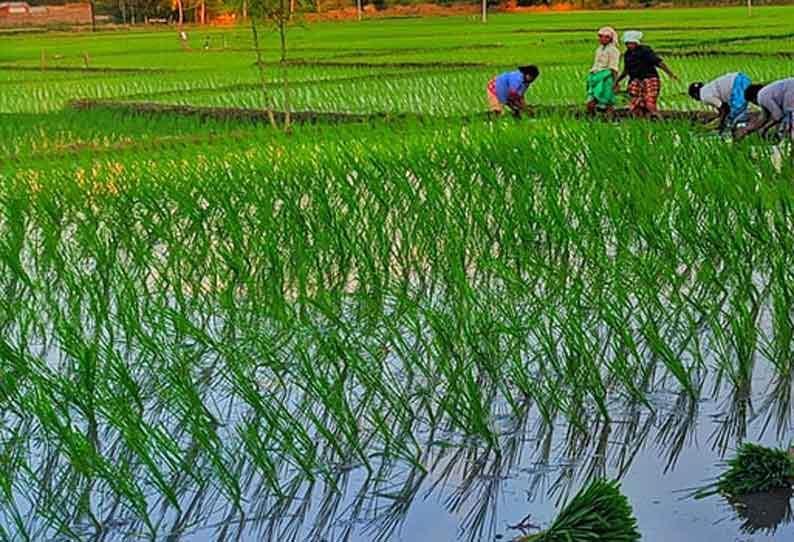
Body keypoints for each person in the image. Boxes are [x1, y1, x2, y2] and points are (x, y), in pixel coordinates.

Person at [613, 31, 678, 118]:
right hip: (636, 80)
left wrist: (670, 74)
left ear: (636, 42)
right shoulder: (628, 54)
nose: (629, 45)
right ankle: (643, 123)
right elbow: (626, 70)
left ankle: (657, 119)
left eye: (631, 43)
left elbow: (658, 63)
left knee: (649, 103)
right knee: (636, 106)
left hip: (650, 79)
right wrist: (617, 81)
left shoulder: (645, 50)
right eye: (627, 43)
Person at [688, 72, 752, 133]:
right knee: (740, 112)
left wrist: (721, 125)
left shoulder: (704, 96)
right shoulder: (706, 88)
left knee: (735, 114)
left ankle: (742, 131)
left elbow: (724, 108)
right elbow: (722, 109)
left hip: (737, 84)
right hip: (740, 77)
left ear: (695, 95)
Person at [587, 27, 620, 115]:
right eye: (601, 36)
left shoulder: (613, 51)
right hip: (596, 76)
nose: (602, 39)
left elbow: (614, 68)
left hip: (607, 78)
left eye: (606, 37)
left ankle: (608, 119)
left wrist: (616, 82)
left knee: (608, 101)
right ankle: (594, 120)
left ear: (611, 39)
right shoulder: (599, 49)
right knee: (591, 101)